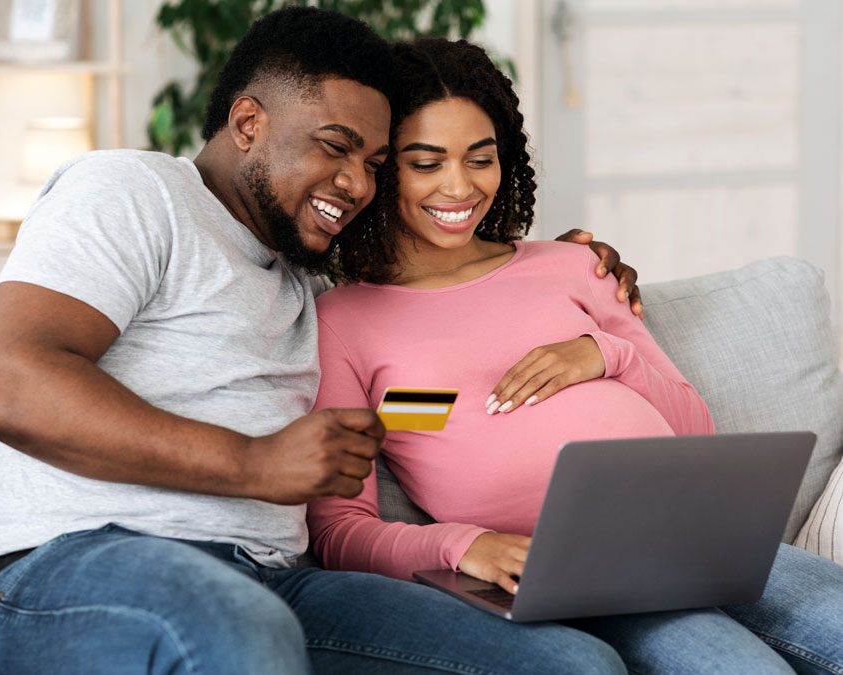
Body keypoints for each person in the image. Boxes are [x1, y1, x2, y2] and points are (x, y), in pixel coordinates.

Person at [0, 8, 643, 675]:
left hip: (272, 585)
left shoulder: (312, 290)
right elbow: (12, 382)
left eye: (375, 162)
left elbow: (416, 384)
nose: (358, 184)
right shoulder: (136, 190)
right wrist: (255, 463)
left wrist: (569, 273)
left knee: (571, 662)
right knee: (237, 624)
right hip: (62, 572)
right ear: (248, 121)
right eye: (335, 146)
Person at [307, 38, 843, 675]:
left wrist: (604, 354)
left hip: (700, 535)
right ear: (382, 164)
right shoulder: (343, 321)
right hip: (573, 570)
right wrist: (464, 546)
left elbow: (694, 431)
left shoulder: (574, 267)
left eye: (481, 159)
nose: (460, 185)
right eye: (427, 163)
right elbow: (338, 528)